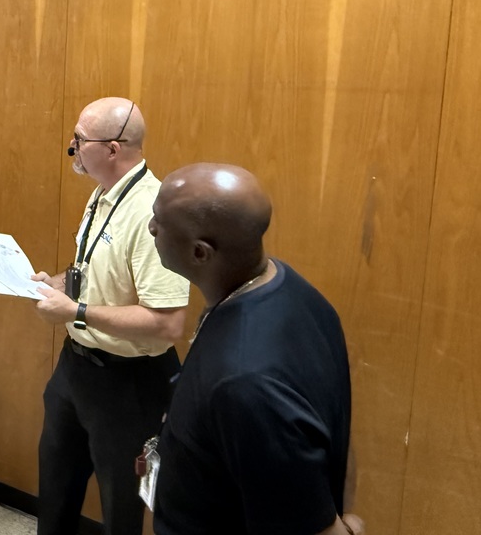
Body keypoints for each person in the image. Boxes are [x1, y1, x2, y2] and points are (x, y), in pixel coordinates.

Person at [148, 163, 364, 535]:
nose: (151, 228)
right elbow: (334, 431)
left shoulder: (244, 383)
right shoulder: (292, 289)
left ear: (201, 252)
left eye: (159, 222)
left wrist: (351, 526)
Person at [31, 97, 190, 535]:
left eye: (79, 140)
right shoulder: (104, 194)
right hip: (76, 368)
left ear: (113, 149)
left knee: (120, 506)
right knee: (56, 485)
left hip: (130, 383)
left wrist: (76, 309)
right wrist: (58, 284)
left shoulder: (154, 212)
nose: (72, 147)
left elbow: (169, 322)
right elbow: (98, 273)